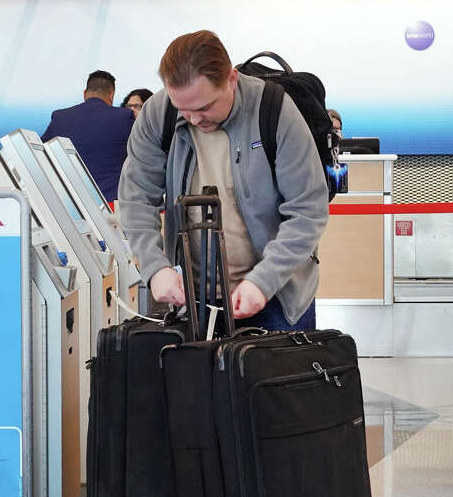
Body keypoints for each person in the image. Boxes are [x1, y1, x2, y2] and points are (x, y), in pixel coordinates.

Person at [117, 30, 328, 331]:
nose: (193, 119)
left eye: (204, 107)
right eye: (183, 109)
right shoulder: (157, 114)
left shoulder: (275, 110)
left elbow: (308, 211)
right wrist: (155, 267)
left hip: (276, 299)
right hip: (190, 301)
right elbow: (136, 199)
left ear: (231, 79)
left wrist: (262, 282)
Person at [42, 71, 135, 202]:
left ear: (85, 93)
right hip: (111, 207)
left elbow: (41, 155)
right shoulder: (124, 117)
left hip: (71, 205)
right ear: (111, 95)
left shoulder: (60, 117)